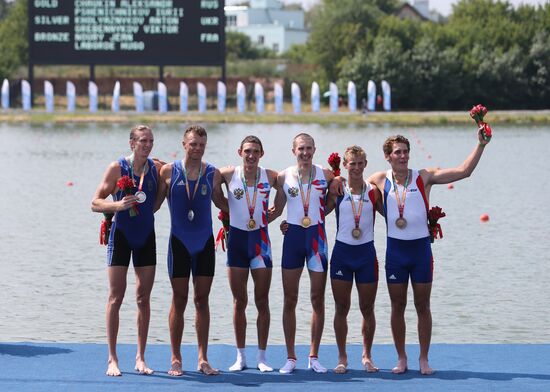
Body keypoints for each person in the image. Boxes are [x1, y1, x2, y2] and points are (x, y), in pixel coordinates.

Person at [368, 129, 491, 375]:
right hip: (395, 252)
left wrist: (481, 145)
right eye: (397, 153)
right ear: (387, 156)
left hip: (420, 251)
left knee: (422, 305)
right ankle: (401, 358)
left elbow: (464, 171)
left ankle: (424, 359)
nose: (403, 156)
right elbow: (354, 184)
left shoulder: (423, 177)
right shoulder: (379, 179)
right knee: (397, 305)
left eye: (405, 152)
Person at [91, 125, 163, 377]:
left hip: (146, 236)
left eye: (151, 140)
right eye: (143, 140)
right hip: (120, 236)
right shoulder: (117, 167)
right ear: (132, 143)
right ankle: (112, 358)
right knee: (115, 297)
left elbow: (177, 174)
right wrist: (118, 205)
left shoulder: (156, 167)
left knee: (143, 298)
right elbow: (95, 202)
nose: (148, 144)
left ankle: (141, 357)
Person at [155, 125, 226, 376]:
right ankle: (175, 358)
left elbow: (224, 204)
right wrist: (129, 197)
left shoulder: (213, 174)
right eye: (193, 144)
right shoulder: (167, 171)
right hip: (179, 243)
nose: (197, 148)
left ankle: (203, 358)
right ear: (184, 144)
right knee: (180, 299)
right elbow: (152, 206)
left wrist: (258, 211)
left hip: (204, 243)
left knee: (202, 300)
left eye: (201, 145)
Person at [270, 133, 334, 374]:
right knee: (290, 299)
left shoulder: (326, 175)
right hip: (293, 240)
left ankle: (314, 356)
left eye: (308, 148)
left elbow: (332, 203)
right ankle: (290, 357)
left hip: (317, 240)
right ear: (293, 150)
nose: (305, 153)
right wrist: (244, 221)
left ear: (314, 149)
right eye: (300, 149)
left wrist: (317, 218)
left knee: (317, 299)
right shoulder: (284, 176)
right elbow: (276, 210)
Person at [217, 135, 278, 372]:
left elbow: (287, 191)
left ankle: (262, 357)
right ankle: (240, 356)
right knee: (239, 301)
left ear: (261, 154)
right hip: (237, 242)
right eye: (247, 151)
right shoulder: (228, 174)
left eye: (255, 152)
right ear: (239, 152)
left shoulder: (271, 176)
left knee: (262, 300)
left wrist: (274, 213)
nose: (251, 156)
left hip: (260, 243)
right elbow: (211, 187)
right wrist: (227, 206)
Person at [326, 146, 381, 374]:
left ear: (365, 164)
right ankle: (342, 357)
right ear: (345, 166)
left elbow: (397, 214)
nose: (356, 168)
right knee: (341, 307)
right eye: (352, 164)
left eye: (360, 163)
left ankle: (367, 356)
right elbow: (318, 213)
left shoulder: (374, 192)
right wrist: (290, 223)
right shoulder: (337, 190)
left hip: (366, 255)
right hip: (342, 255)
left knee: (367, 308)